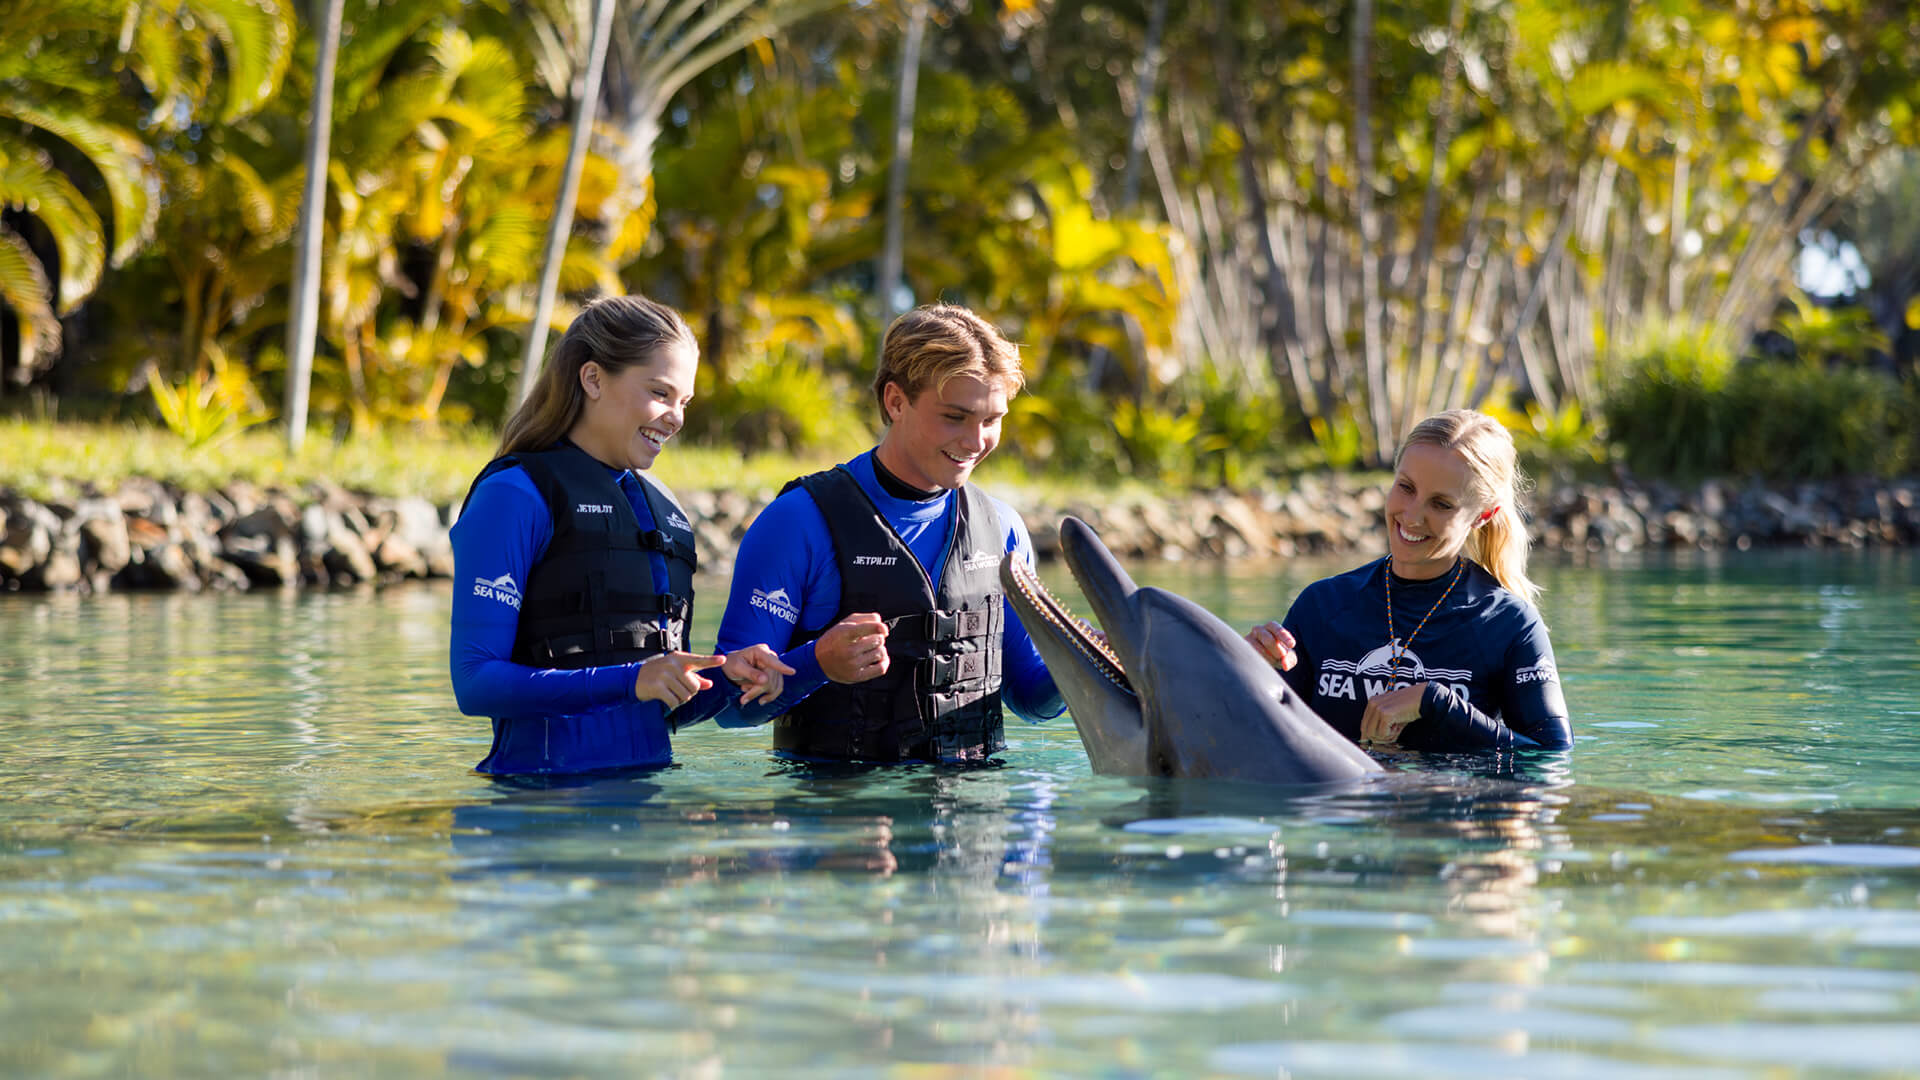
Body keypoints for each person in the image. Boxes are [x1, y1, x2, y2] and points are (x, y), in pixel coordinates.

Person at [449, 294, 799, 775]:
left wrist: (728, 676)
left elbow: (663, 705)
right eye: (660, 393)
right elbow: (474, 684)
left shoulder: (666, 511)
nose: (676, 417)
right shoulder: (515, 494)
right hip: (537, 811)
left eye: (684, 402)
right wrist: (632, 680)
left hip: (647, 810)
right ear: (592, 378)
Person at [711, 302, 1065, 763]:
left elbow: (1031, 699)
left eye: (991, 420)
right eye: (955, 417)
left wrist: (1095, 663)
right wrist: (816, 664)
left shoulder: (1002, 529)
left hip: (975, 815)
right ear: (896, 401)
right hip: (842, 811)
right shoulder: (797, 522)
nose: (976, 442)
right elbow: (726, 705)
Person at [1245, 409, 1572, 752]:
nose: (1413, 516)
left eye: (1442, 504)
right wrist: (1246, 670)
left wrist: (1437, 703)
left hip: (1446, 803)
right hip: (1337, 804)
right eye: (1406, 487)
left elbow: (1550, 754)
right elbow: (1260, 736)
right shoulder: (1323, 606)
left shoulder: (1508, 624)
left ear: (1483, 515)